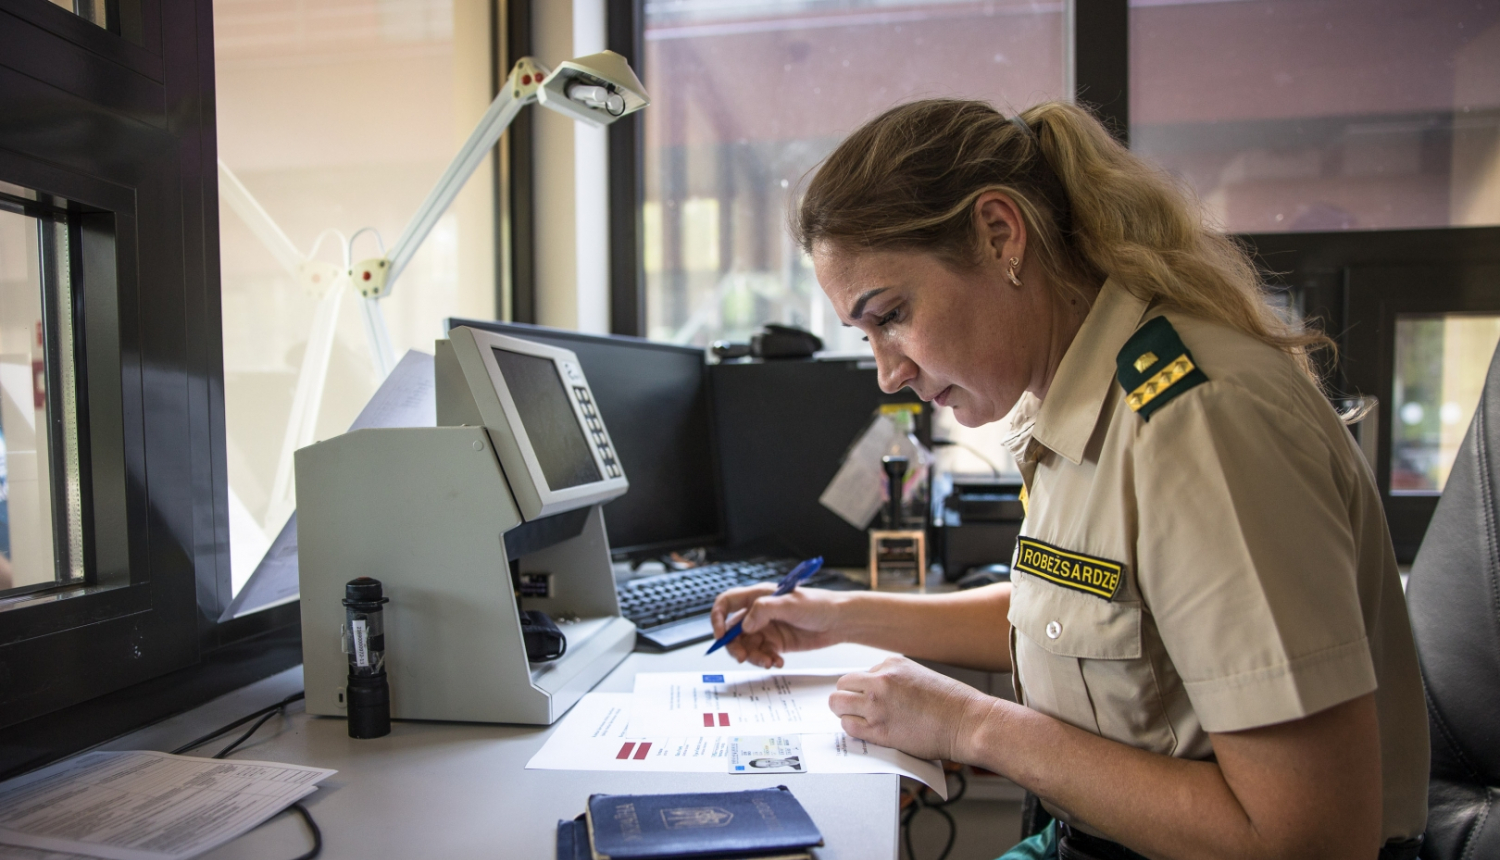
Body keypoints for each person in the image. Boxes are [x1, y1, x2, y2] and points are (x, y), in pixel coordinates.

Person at [710, 100, 1428, 860]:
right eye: (867, 336)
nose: (890, 372)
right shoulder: (1081, 396)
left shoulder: (1197, 422)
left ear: (1000, 234)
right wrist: (836, 616)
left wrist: (969, 726)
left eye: (891, 315)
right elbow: (1079, 616)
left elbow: (1311, 838)